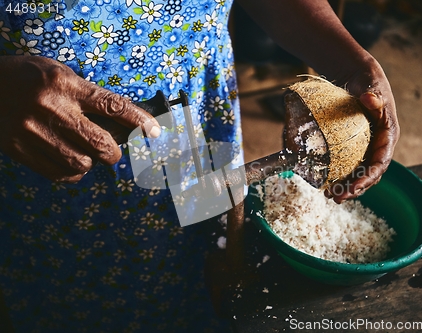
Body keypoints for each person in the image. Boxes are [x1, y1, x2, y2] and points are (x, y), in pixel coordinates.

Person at [0, 0, 400, 332]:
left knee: (198, 273)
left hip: (201, 105)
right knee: (80, 301)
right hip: (46, 140)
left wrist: (350, 61)